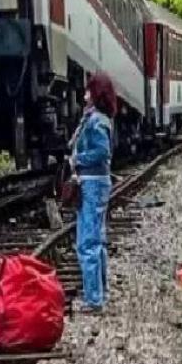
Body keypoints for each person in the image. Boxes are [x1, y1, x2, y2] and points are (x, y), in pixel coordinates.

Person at [72, 72, 117, 313]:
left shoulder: (96, 121)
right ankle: (100, 292)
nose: (84, 95)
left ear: (96, 93)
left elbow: (102, 151)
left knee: (87, 241)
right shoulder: (99, 118)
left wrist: (78, 158)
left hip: (91, 182)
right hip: (97, 182)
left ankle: (93, 299)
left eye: (88, 91)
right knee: (96, 239)